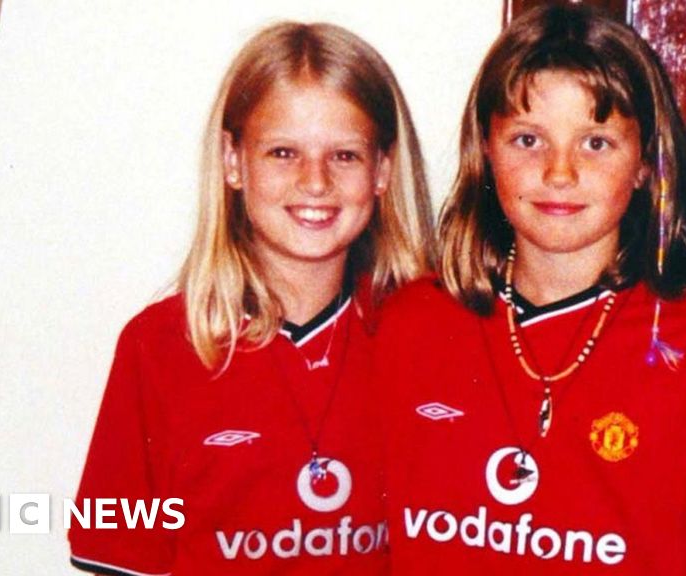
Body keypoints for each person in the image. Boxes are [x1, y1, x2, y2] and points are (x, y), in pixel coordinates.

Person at [376, 4, 686, 574]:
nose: (559, 172)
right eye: (528, 139)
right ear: (485, 148)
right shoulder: (412, 322)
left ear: (645, 163)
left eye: (596, 143)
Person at [68, 21, 433, 575]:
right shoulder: (159, 346)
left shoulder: (426, 340)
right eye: (283, 152)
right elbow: (123, 553)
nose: (315, 182)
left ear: (382, 169)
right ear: (233, 160)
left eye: (344, 156)